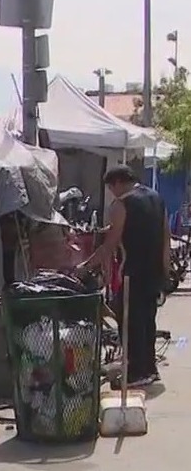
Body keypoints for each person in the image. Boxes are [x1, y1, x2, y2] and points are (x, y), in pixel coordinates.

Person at [78, 165, 169, 387]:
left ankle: (137, 372)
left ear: (117, 183)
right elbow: (165, 236)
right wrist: (165, 273)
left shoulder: (121, 204)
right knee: (148, 321)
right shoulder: (156, 197)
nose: (112, 192)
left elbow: (110, 245)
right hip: (154, 272)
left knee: (130, 323)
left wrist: (86, 266)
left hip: (133, 273)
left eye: (111, 187)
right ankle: (149, 369)